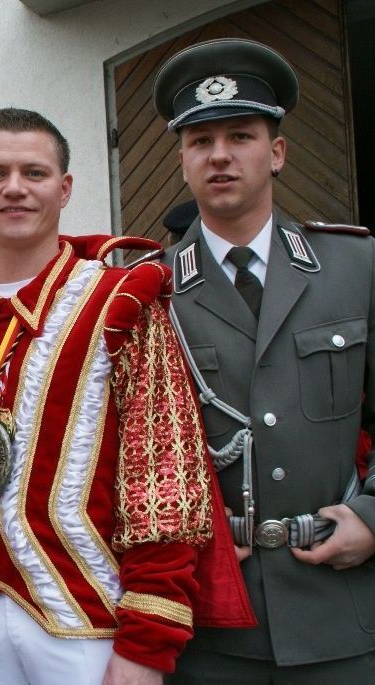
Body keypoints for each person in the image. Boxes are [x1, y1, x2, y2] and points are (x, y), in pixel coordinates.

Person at [0, 107, 238, 685]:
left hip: (91, 620)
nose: (14, 188)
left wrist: (147, 642)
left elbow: (164, 471)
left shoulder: (122, 301)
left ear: (65, 189)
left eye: (34, 173)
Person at [154, 38, 375, 682]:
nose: (220, 154)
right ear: (183, 161)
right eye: (200, 141)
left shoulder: (355, 268)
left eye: (240, 135)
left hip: (341, 612)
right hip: (212, 628)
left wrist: (372, 518)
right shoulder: (148, 291)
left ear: (276, 153)